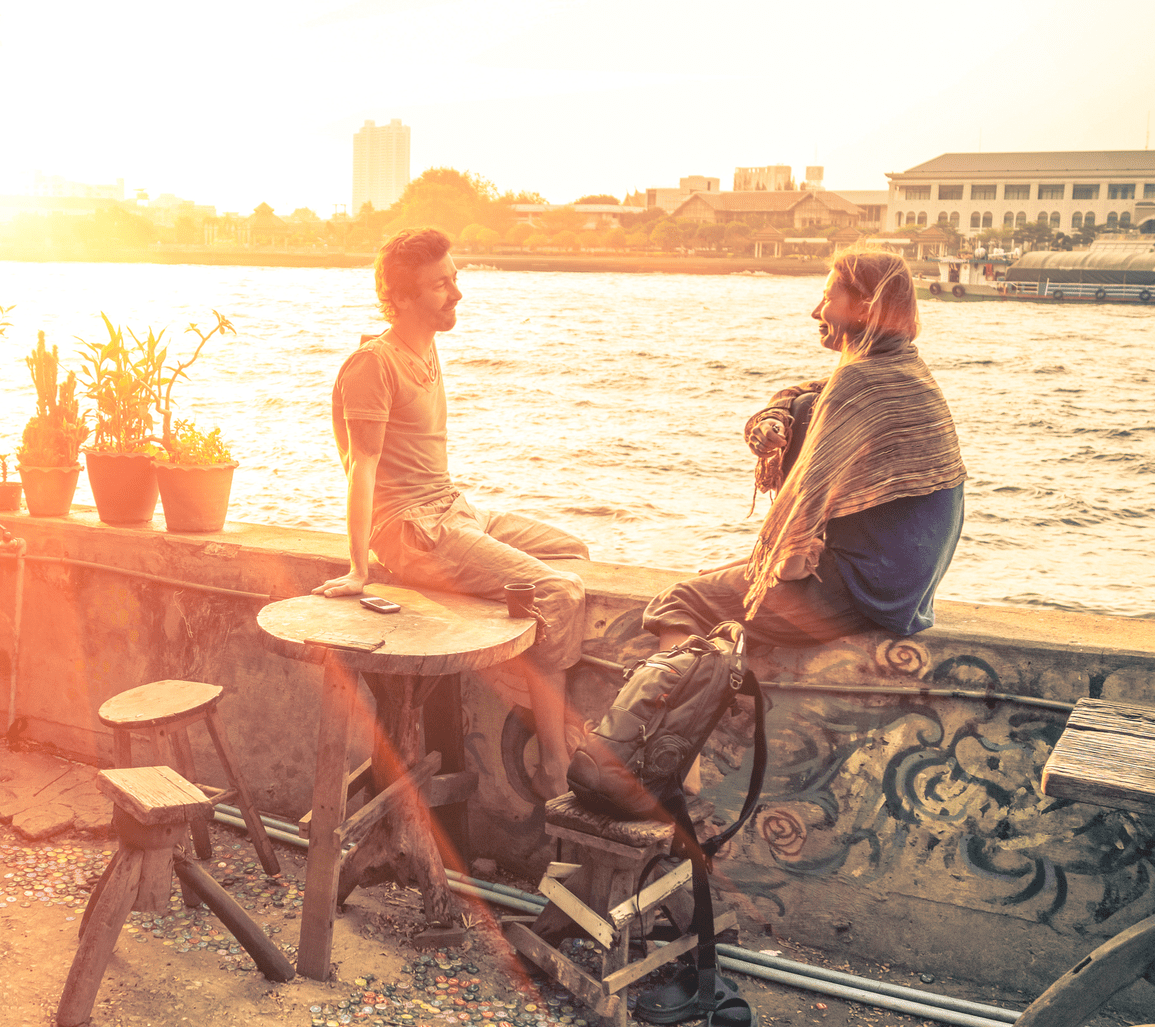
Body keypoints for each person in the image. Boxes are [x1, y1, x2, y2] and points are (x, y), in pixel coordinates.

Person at [314, 227, 588, 800]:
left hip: (454, 510)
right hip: (416, 533)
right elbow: (359, 466)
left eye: (455, 277)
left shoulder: (425, 345)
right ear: (403, 296)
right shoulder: (374, 365)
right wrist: (360, 567)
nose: (457, 292)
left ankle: (521, 681)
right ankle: (555, 762)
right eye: (442, 284)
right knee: (559, 593)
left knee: (572, 554)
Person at [646, 248, 965, 652]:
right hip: (904, 596)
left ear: (866, 307)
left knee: (679, 601)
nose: (817, 311)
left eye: (829, 298)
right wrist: (776, 416)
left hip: (861, 597)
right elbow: (805, 393)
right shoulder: (906, 370)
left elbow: (795, 560)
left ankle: (667, 713)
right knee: (802, 408)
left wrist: (767, 568)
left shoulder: (858, 382)